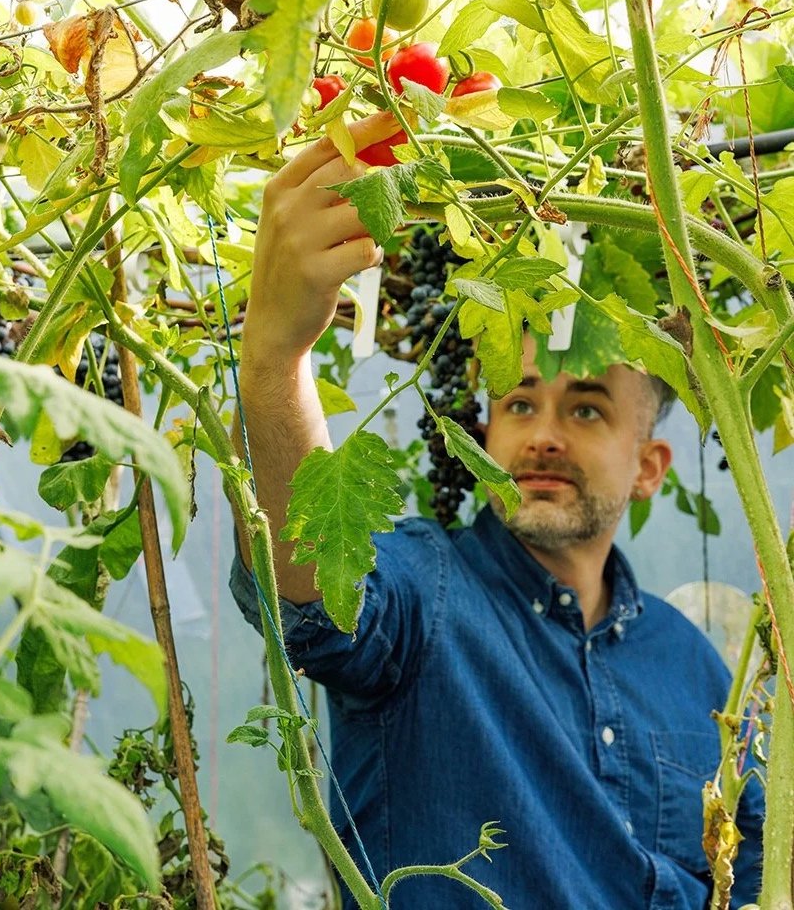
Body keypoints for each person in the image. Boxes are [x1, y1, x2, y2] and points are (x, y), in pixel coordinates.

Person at [228, 113, 764, 908]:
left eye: (585, 410)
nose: (543, 436)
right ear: (484, 434)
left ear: (650, 468)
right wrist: (275, 358)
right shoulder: (421, 591)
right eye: (518, 405)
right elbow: (312, 602)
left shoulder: (695, 667)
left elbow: (752, 873)